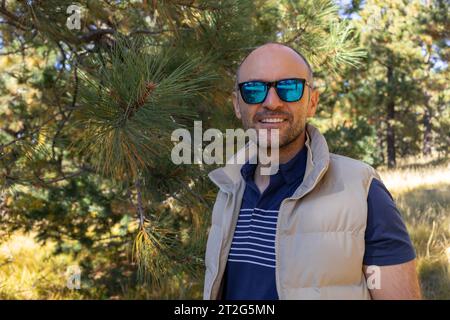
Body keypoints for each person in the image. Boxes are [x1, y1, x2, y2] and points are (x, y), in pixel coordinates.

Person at [203, 42, 421, 300]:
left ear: (312, 102)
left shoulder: (362, 190)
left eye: (289, 88)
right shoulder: (228, 189)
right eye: (253, 90)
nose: (271, 102)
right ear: (237, 105)